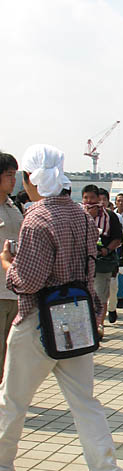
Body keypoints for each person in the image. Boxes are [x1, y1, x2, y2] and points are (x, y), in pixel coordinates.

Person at [0, 145, 123, 471]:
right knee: (85, 404)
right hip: (76, 318)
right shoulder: (80, 215)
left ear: (29, 177)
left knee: (13, 401)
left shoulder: (36, 219)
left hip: (37, 319)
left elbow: (28, 281)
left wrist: (7, 263)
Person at [81, 185, 123, 337]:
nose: (89, 201)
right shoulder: (78, 214)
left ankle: (98, 325)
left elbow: (118, 238)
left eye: (92, 198)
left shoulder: (109, 216)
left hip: (102, 263)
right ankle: (87, 326)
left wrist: (106, 250)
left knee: (100, 296)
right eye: (86, 198)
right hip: (82, 264)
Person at [0, 153, 23, 380]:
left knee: (11, 352)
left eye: (15, 175)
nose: (13, 181)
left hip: (13, 291)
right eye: (9, 175)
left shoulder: (14, 207)